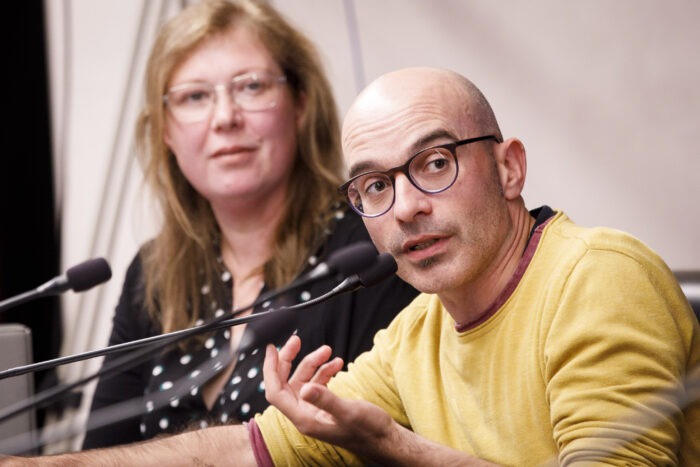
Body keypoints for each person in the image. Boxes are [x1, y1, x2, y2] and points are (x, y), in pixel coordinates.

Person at [5, 68, 698, 466]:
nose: (407, 207)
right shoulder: (415, 334)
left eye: (435, 163)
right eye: (374, 185)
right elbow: (244, 450)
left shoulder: (597, 277)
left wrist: (394, 445)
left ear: (509, 167)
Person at [79, 0, 418, 449]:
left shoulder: (369, 250)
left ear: (300, 105)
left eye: (252, 87)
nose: (225, 118)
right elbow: (101, 453)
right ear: (166, 131)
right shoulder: (153, 272)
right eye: (195, 97)